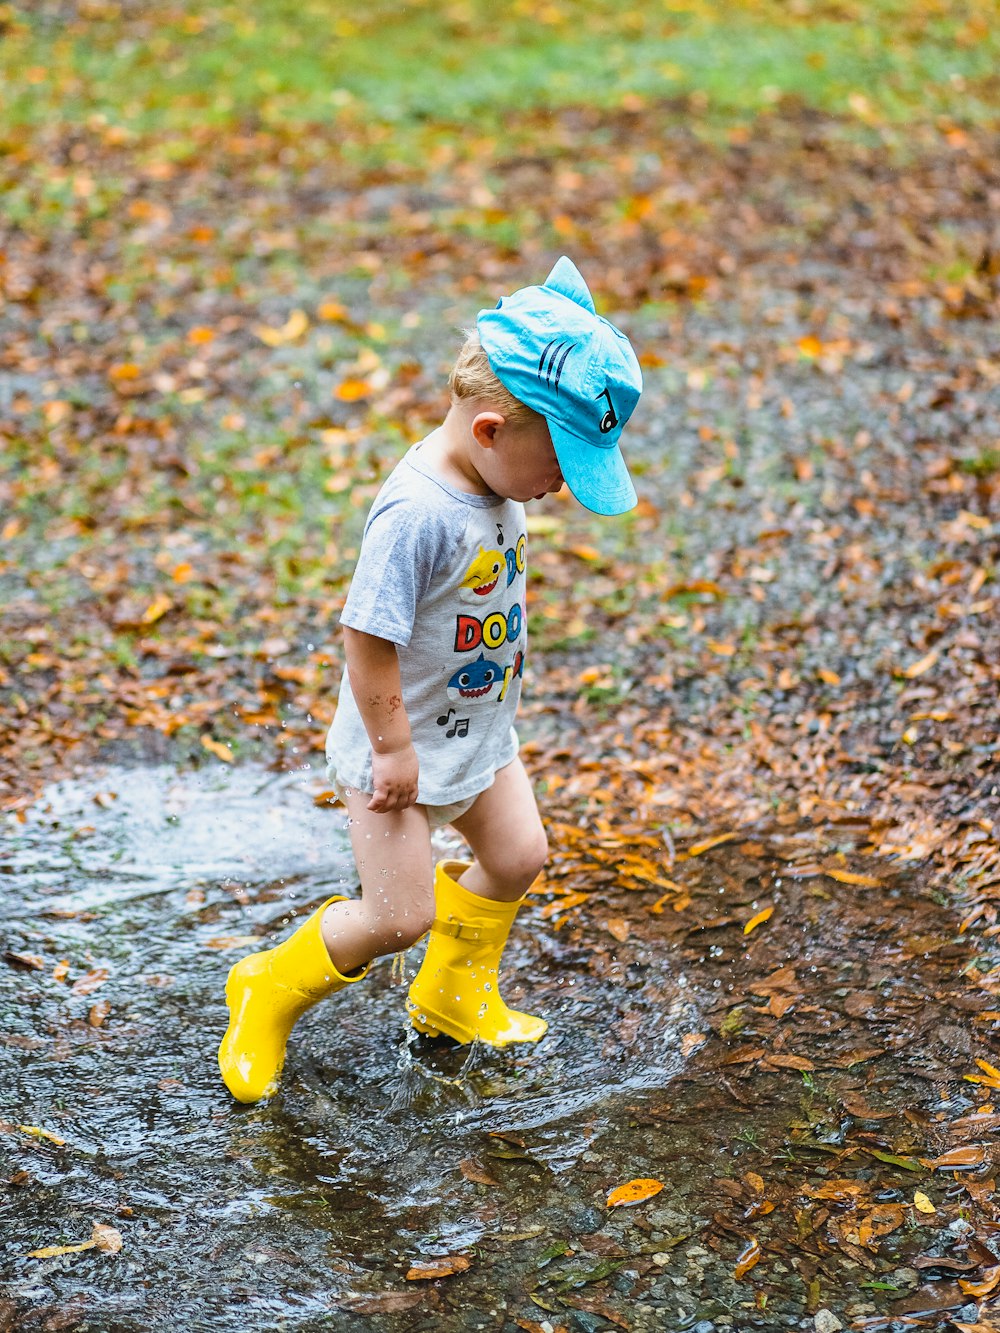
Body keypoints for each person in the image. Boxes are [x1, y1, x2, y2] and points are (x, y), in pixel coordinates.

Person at [218, 256, 643, 1103]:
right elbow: (365, 637)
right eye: (560, 463)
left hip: (477, 732)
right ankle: (265, 986)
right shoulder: (417, 514)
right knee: (395, 916)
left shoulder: (495, 478)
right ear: (490, 430)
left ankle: (451, 999)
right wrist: (392, 749)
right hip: (398, 752)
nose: (560, 487)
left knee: (520, 855)